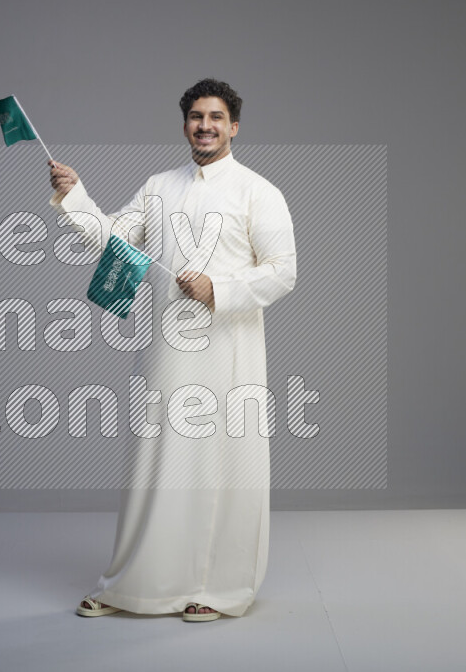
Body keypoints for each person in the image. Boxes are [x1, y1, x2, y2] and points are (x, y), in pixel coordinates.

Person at [48, 79, 296, 622]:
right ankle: (134, 584)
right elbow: (114, 240)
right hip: (164, 351)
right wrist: (76, 196)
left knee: (221, 463)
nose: (205, 125)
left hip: (228, 352)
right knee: (155, 463)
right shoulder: (158, 186)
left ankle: (220, 588)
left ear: (234, 127)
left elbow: (284, 272)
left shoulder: (258, 192)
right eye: (196, 117)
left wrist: (218, 289)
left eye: (216, 117)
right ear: (185, 125)